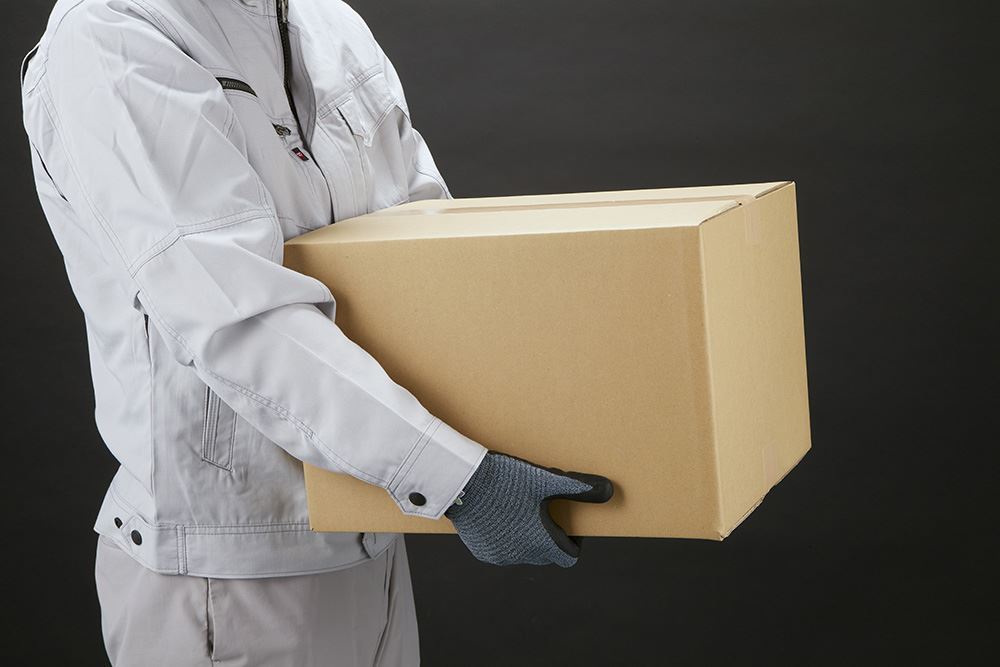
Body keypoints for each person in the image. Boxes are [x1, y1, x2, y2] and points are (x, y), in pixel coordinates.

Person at [19, 1, 613, 665]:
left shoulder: (328, 23)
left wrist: (531, 421)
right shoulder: (115, 34)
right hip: (229, 574)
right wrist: (463, 481)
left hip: (372, 530)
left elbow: (422, 245)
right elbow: (235, 315)